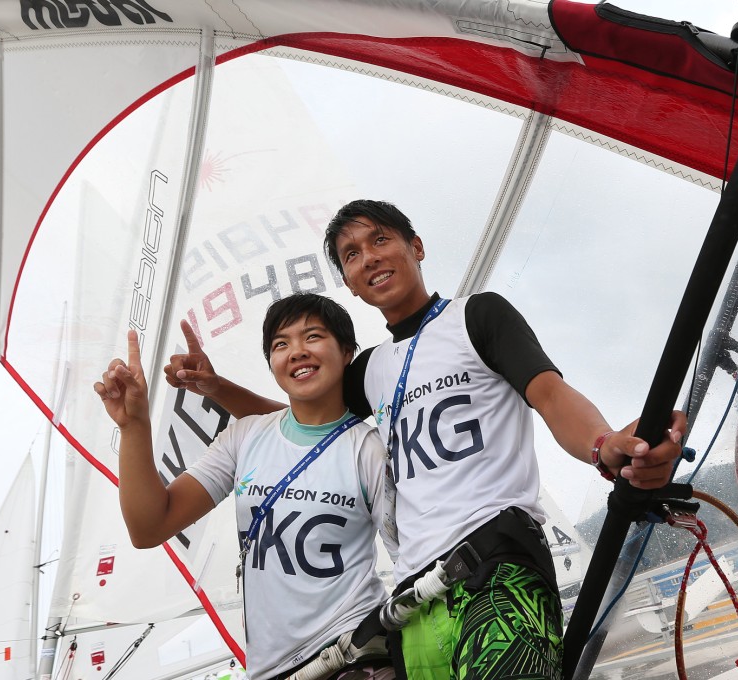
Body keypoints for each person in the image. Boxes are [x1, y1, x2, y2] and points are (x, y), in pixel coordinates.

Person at [164, 200, 687, 680]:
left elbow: (549, 394)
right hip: (414, 603)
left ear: (416, 247)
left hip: (496, 569)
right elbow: (300, 422)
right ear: (348, 282)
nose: (368, 258)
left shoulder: (478, 316)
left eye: (379, 241)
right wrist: (214, 387)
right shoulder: (371, 368)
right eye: (351, 255)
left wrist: (604, 444)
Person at [94, 292, 396, 680]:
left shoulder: (370, 449)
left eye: (314, 337)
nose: (297, 352)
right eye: (280, 344)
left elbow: (409, 558)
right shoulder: (244, 435)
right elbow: (150, 526)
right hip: (271, 668)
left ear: (347, 353)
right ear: (271, 364)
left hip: (357, 655)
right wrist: (134, 424)